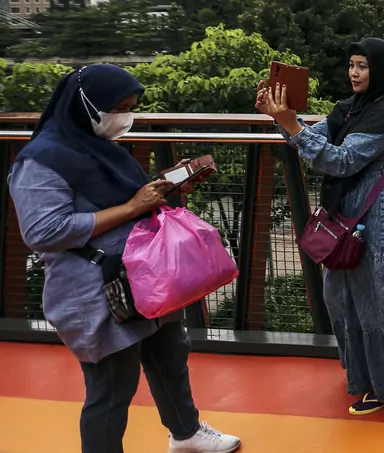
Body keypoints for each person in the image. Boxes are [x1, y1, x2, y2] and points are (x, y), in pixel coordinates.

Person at [10, 64, 241, 453]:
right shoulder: (40, 161)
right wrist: (134, 206)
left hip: (145, 276)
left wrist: (162, 188)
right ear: (85, 104)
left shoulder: (101, 149)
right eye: (118, 106)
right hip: (95, 287)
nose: (124, 116)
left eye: (131, 106)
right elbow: (43, 232)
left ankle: (185, 432)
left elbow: (126, 198)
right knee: (112, 387)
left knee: (169, 355)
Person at [257, 38, 384, 415]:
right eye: (351, 65)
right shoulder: (349, 109)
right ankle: (365, 376)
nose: (354, 72)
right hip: (347, 212)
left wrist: (290, 124)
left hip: (378, 212)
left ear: (380, 70)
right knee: (344, 296)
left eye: (363, 66)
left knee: (379, 295)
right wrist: (283, 117)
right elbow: (313, 140)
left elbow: (343, 160)